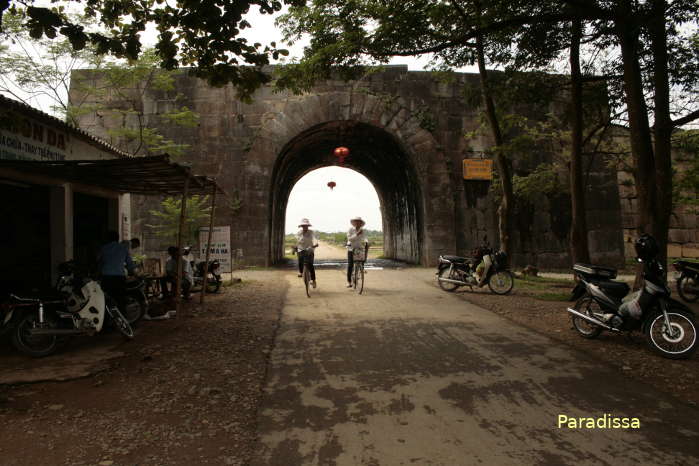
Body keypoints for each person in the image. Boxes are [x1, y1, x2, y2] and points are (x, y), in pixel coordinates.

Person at [98, 231, 135, 315]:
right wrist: (131, 273)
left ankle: (106, 320)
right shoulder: (123, 248)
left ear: (108, 239)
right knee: (120, 300)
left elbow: (99, 263)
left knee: (106, 300)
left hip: (106, 278)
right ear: (117, 238)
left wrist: (98, 274)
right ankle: (122, 321)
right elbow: (129, 263)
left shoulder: (103, 248)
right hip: (119, 278)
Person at [346, 216, 369, 287]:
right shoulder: (350, 230)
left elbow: (364, 238)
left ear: (361, 223)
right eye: (356, 221)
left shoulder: (363, 230)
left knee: (362, 260)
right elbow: (350, 239)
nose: (358, 223)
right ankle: (349, 281)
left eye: (359, 222)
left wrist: (367, 242)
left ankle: (361, 269)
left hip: (359, 248)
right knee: (350, 265)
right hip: (351, 248)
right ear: (354, 223)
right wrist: (357, 234)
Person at [296, 218, 318, 288]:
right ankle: (301, 272)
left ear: (308, 226)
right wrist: (302, 235)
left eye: (306, 225)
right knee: (300, 260)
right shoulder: (299, 233)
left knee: (310, 265)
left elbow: (315, 238)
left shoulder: (311, 232)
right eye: (303, 225)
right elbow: (298, 240)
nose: (304, 227)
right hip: (301, 249)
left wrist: (315, 244)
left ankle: (313, 280)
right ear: (301, 226)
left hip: (310, 249)